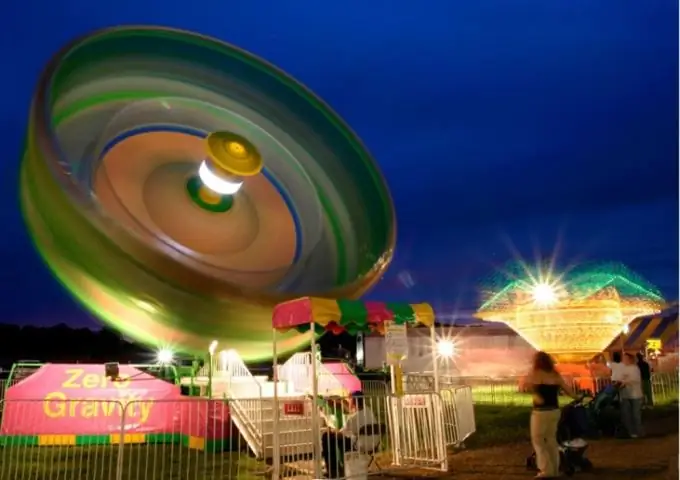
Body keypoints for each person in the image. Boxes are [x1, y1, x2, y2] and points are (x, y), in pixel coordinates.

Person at [527, 351, 579, 479]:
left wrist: (535, 394)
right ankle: (555, 469)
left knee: (538, 440)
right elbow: (568, 391)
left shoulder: (535, 374)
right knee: (551, 439)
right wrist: (577, 397)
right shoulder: (555, 375)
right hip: (554, 411)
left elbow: (525, 386)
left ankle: (546, 469)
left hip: (540, 412)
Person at [321, 391, 378, 479]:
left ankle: (333, 470)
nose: (348, 402)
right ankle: (341, 467)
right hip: (374, 443)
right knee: (342, 439)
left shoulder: (353, 419)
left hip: (360, 446)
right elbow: (353, 412)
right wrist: (342, 402)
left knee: (327, 436)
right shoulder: (368, 410)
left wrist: (332, 430)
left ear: (354, 401)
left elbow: (340, 434)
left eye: (349, 400)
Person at [613, 353, 644, 438]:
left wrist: (625, 382)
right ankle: (631, 432)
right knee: (626, 414)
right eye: (623, 358)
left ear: (630, 359)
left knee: (635, 414)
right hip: (625, 395)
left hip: (635, 395)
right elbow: (617, 378)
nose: (624, 360)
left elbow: (635, 379)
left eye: (626, 358)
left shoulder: (635, 369)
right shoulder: (622, 369)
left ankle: (638, 432)